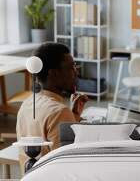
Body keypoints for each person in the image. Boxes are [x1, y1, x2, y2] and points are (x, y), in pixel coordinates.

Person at [16, 42, 88, 173]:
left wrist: (74, 116)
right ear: (53, 74)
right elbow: (66, 166)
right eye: (71, 67)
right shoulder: (60, 112)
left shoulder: (27, 103)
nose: (76, 72)